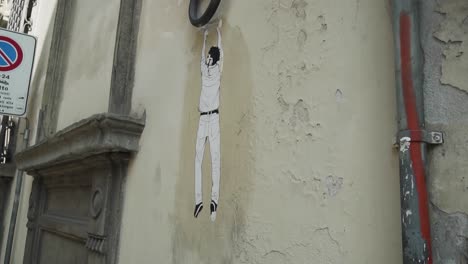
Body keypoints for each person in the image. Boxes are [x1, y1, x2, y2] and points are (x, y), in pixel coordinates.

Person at [194, 20, 223, 222]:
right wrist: (204, 38)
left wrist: (219, 32)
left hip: (214, 117)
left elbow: (221, 52)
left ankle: (214, 201)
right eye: (208, 58)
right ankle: (198, 202)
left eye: (210, 58)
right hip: (203, 118)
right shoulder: (204, 72)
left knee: (214, 158)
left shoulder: (217, 73)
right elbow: (201, 57)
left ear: (215, 60)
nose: (208, 59)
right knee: (198, 158)